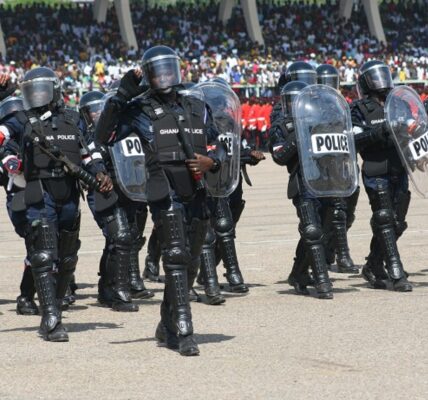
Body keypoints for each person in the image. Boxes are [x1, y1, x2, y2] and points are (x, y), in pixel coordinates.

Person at [95, 45, 222, 356]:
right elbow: (103, 137)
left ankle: (166, 324)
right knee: (175, 257)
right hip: (165, 192)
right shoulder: (138, 109)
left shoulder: (196, 105)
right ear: (149, 75)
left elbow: (220, 142)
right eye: (157, 71)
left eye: (168, 69)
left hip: (197, 191)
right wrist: (120, 97)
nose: (164, 76)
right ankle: (183, 329)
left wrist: (213, 162)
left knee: (191, 262)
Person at [0, 68, 112, 341]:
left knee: (68, 257)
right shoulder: (21, 119)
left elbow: (89, 151)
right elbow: (3, 137)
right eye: (32, 90)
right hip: (40, 194)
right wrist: (9, 161)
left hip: (70, 194)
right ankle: (50, 318)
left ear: (54, 90)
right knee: (43, 254)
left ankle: (57, 304)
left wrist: (99, 171)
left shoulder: (73, 119)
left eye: (42, 89)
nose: (37, 95)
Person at [80, 90, 152, 312]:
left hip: (127, 190)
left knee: (119, 239)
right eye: (91, 111)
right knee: (119, 236)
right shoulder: (86, 136)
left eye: (99, 109)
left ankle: (107, 288)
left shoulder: (120, 132)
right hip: (102, 192)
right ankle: (119, 292)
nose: (96, 114)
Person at [269, 80, 334, 299]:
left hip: (326, 180)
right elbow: (279, 156)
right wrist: (300, 135)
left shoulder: (321, 119)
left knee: (322, 231)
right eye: (292, 100)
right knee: (312, 230)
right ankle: (322, 280)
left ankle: (298, 273)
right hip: (302, 182)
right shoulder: (282, 126)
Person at [351, 60, 412, 291]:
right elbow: (354, 140)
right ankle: (396, 271)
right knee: (385, 218)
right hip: (376, 168)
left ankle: (373, 264)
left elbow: (412, 129)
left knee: (398, 223)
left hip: (400, 167)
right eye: (374, 76)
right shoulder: (358, 109)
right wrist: (380, 131)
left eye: (382, 74)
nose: (380, 80)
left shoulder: (399, 103)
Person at [316, 64, 359, 273]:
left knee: (348, 213)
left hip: (346, 165)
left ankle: (329, 250)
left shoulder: (345, 106)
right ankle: (342, 255)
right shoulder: (311, 108)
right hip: (324, 167)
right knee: (337, 212)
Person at [0, 95, 38, 315]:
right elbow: (10, 166)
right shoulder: (5, 145)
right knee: (36, 243)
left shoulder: (35, 135)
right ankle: (26, 296)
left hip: (45, 194)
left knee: (63, 242)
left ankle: (61, 287)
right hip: (19, 198)